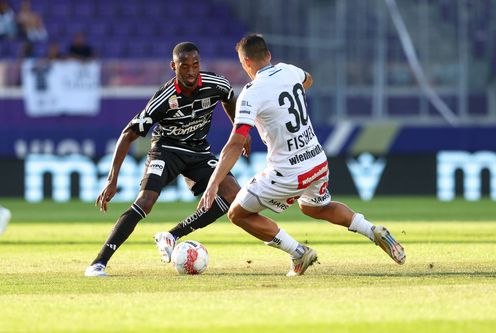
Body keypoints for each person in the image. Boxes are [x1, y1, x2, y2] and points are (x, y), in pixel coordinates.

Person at [198, 34, 406, 276]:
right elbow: (308, 80)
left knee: (237, 213)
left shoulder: (251, 93)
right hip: (316, 160)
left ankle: (298, 252)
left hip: (287, 171)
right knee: (315, 208)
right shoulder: (289, 70)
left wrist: (214, 183)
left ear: (245, 62)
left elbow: (235, 143)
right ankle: (374, 230)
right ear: (269, 55)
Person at [85, 42, 250, 277]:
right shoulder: (163, 98)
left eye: (195, 65)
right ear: (173, 66)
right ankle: (98, 263)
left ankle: (172, 235)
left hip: (199, 152)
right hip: (166, 150)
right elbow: (127, 135)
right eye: (184, 66)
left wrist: (239, 131)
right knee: (146, 201)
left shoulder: (216, 84)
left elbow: (228, 98)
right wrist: (112, 180)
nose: (191, 71)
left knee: (233, 193)